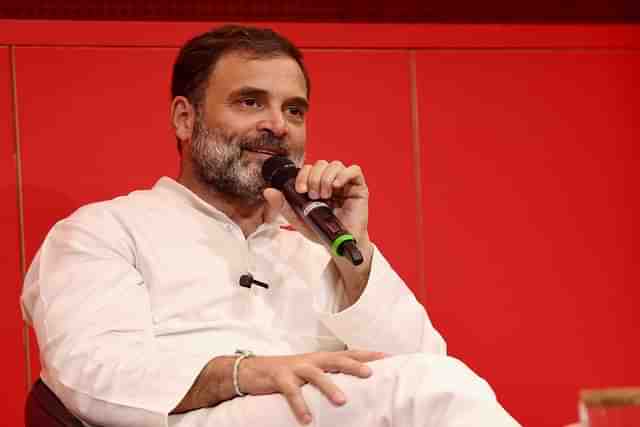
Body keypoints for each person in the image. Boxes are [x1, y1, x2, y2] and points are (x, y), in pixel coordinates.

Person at [21, 25, 520, 427]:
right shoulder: (105, 231)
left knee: (433, 384)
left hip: (313, 413)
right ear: (183, 119)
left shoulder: (313, 246)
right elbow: (89, 372)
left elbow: (427, 366)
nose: (278, 126)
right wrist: (245, 373)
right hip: (189, 419)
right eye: (250, 102)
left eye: (294, 110)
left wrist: (355, 253)